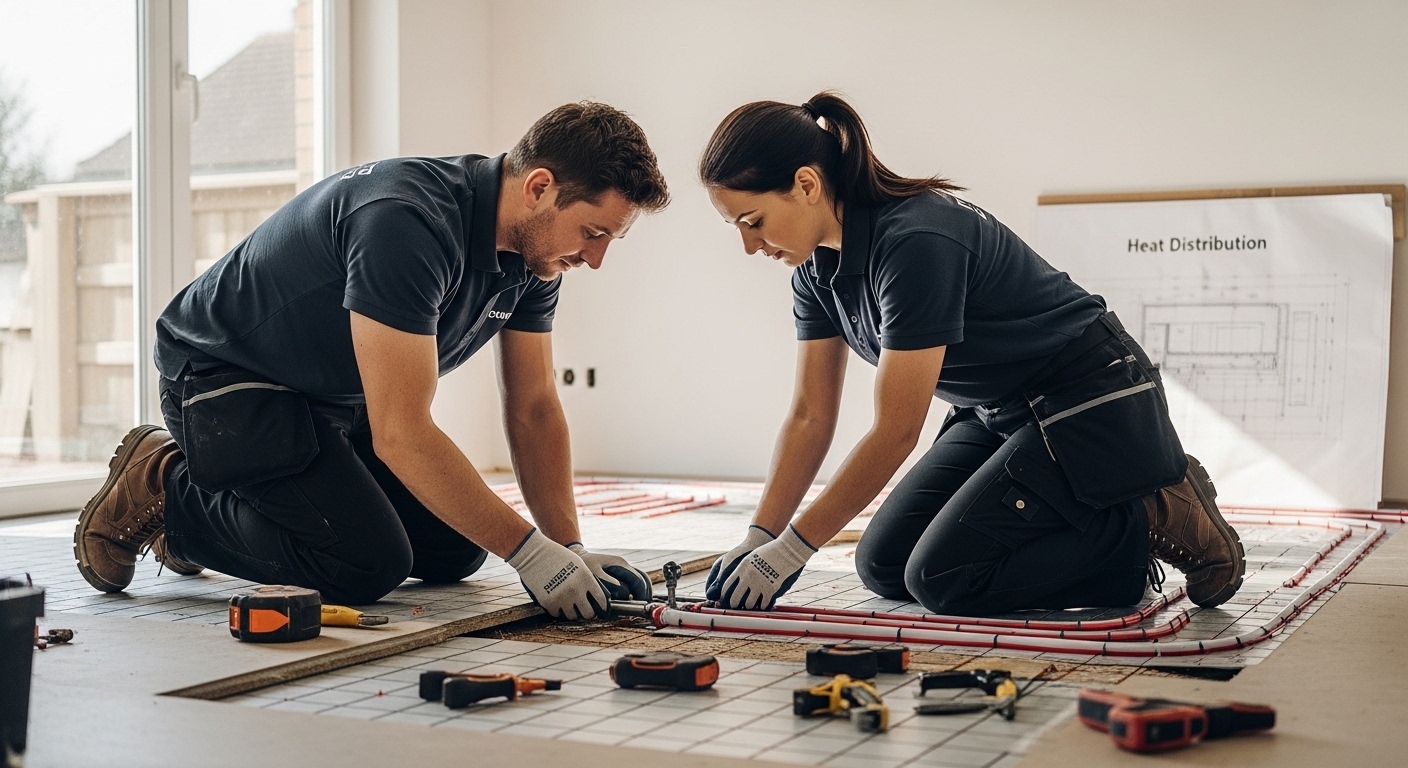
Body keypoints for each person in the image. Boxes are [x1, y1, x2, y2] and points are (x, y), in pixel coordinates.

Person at [73, 102, 670, 620]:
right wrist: (531, 553)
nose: (595, 259)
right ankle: (167, 486)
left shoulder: (534, 256)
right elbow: (402, 432)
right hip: (224, 382)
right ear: (539, 188)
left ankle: (237, 508)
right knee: (365, 564)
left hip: (325, 400)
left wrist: (565, 547)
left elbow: (535, 407)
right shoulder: (407, 221)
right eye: (592, 233)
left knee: (456, 549)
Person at [699, 92, 1245, 616]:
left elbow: (896, 430)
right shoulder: (815, 271)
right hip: (997, 410)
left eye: (753, 222)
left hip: (1085, 399)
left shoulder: (915, 242)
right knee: (884, 564)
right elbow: (810, 415)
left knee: (941, 577)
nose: (750, 247)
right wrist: (761, 536)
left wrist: (794, 552)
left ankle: (1148, 511)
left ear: (806, 184)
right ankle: (1104, 547)